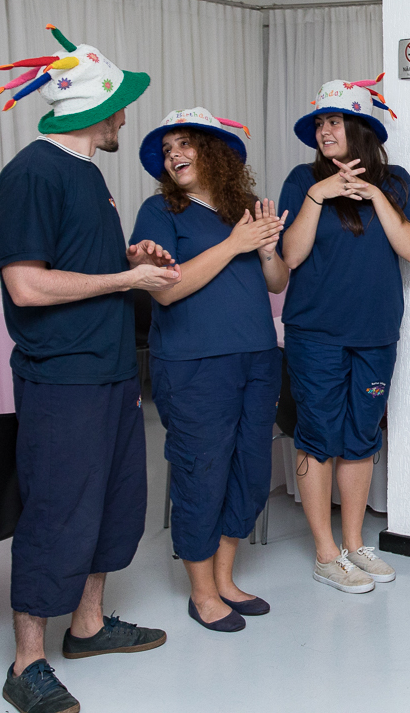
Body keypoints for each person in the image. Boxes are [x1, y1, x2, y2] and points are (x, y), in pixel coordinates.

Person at [0, 25, 174, 713]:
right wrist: (125, 280)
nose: (125, 116)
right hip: (61, 377)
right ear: (95, 110)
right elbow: (27, 286)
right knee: (56, 513)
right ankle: (26, 662)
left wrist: (134, 256)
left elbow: (79, 259)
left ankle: (89, 625)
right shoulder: (31, 175)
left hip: (109, 374)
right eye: (120, 104)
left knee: (113, 504)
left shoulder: (88, 175)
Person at [131, 108, 289, 631]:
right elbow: (167, 288)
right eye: (168, 147)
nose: (175, 154)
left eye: (186, 143)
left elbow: (276, 280)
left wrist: (265, 249)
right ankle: (202, 593)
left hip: (257, 358)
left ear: (215, 152)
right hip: (195, 366)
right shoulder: (160, 212)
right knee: (203, 474)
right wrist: (234, 245)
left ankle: (225, 579)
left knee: (249, 473)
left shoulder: (242, 209)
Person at [279, 77, 410, 594]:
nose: (324, 131)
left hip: (376, 332)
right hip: (314, 333)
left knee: (362, 437)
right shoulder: (302, 181)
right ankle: (325, 552)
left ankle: (354, 543)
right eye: (319, 122)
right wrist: (320, 195)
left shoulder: (398, 181)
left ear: (361, 128)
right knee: (318, 436)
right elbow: (290, 257)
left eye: (333, 121)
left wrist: (375, 196)